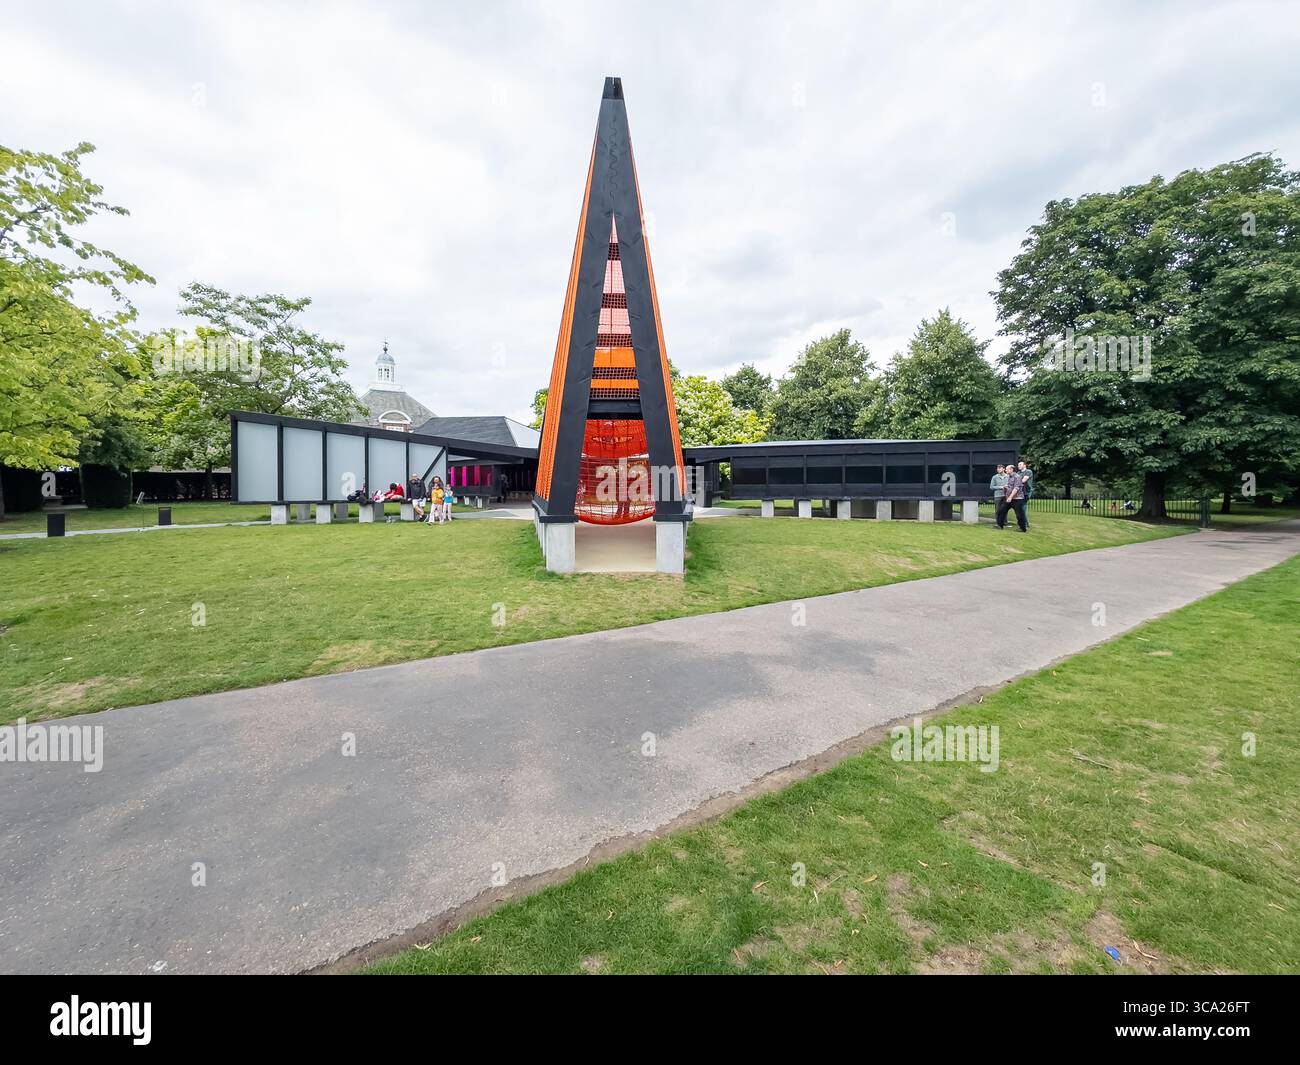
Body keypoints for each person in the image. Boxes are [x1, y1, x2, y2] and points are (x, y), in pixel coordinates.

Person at [1002, 466, 1029, 532]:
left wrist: (1010, 497)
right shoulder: (1009, 477)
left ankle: (1023, 528)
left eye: (1007, 469)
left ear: (1011, 469)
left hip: (1017, 498)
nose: (1005, 470)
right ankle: (1000, 525)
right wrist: (1006, 488)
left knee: (1019, 514)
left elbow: (1016, 488)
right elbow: (1010, 486)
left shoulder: (1017, 477)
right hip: (1010, 498)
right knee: (1001, 510)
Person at [1017, 460, 1033, 529]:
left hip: (1027, 491)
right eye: (1018, 465)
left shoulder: (1028, 471)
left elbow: (1023, 480)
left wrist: (1016, 481)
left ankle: (1025, 524)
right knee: (1021, 508)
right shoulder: (1018, 473)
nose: (1018, 466)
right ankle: (1025, 523)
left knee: (1023, 507)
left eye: (1020, 465)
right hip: (1020, 491)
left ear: (1024, 465)